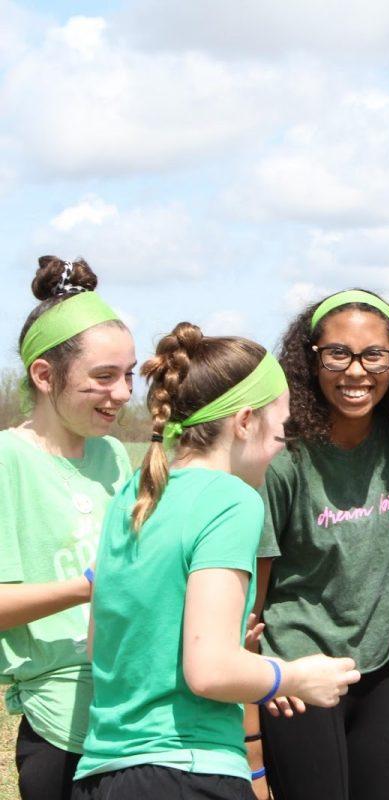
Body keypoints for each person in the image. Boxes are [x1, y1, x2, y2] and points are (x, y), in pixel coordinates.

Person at [73, 322, 360, 800]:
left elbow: (101, 645)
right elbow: (208, 671)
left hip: (102, 774)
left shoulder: (134, 492)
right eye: (281, 432)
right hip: (185, 773)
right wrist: (293, 677)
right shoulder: (231, 499)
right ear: (244, 422)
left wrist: (244, 665)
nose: (280, 449)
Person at [251, 289, 389, 800]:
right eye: (337, 353)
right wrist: (252, 752)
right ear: (311, 360)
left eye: (374, 355)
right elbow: (248, 615)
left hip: (377, 670)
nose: (355, 371)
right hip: (295, 679)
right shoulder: (281, 459)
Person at [0, 257, 135, 800]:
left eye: (128, 374)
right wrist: (89, 586)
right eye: (103, 377)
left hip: (128, 710)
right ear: (44, 375)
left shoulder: (116, 457)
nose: (123, 393)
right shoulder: (10, 461)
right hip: (58, 725)